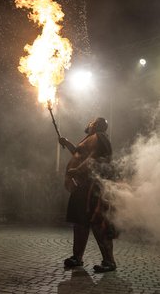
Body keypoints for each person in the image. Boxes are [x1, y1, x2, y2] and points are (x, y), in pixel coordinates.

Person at [59, 117, 117, 273]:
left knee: (98, 223)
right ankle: (77, 258)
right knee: (80, 223)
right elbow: (80, 155)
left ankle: (109, 261)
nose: (90, 123)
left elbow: (95, 158)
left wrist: (78, 171)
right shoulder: (90, 139)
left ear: (97, 125)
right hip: (82, 187)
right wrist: (67, 143)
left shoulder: (100, 137)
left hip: (93, 186)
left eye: (93, 122)